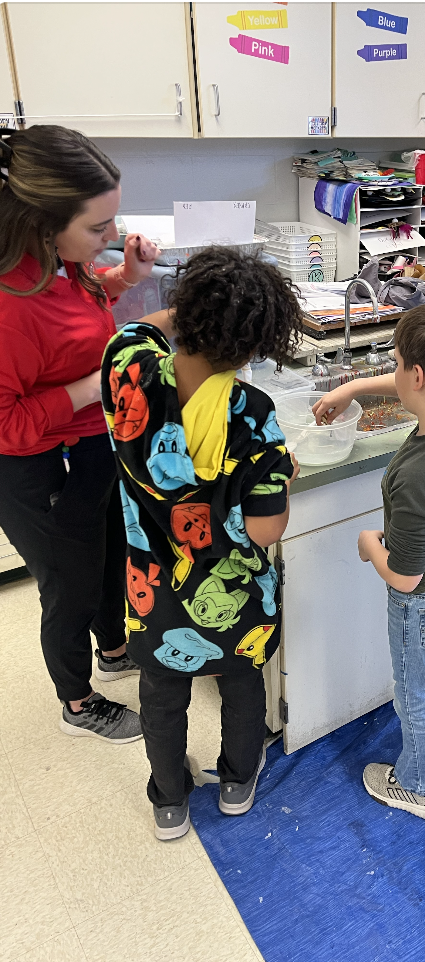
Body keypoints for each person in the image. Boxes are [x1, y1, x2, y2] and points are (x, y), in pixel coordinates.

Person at [101, 248, 303, 840]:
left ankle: (169, 799)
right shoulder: (252, 415)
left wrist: (191, 310)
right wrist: (279, 480)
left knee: (162, 695)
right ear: (252, 350)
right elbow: (266, 529)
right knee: (241, 687)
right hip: (234, 597)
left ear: (183, 313)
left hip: (154, 593)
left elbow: (141, 329)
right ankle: (238, 780)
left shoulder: (129, 368)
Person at [0, 126, 162, 742]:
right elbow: (5, 423)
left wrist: (123, 274)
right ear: (42, 223)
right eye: (99, 230)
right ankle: (76, 702)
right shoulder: (9, 302)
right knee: (66, 583)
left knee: (108, 550)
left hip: (89, 444)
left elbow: (79, 316)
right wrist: (88, 390)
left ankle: (114, 648)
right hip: (37, 464)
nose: (110, 237)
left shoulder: (64, 265)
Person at [312, 302, 425, 822]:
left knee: (417, 691)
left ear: (416, 376)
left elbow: (406, 576)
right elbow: (420, 386)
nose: (392, 373)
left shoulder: (417, 475)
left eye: (394, 364)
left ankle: (421, 786)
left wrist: (371, 544)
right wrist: (352, 389)